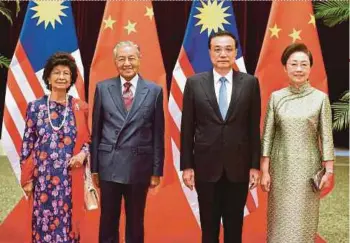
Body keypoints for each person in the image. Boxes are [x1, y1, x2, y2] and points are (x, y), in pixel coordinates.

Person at [180, 30, 261, 243]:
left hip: (239, 167)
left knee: (235, 228)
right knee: (209, 228)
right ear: (209, 53)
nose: (223, 54)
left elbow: (253, 128)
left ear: (235, 53)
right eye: (217, 49)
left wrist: (255, 165)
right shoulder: (194, 83)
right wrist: (187, 166)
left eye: (228, 49)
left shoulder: (250, 83)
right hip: (206, 166)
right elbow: (187, 127)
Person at [91, 41, 165, 243]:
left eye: (131, 58)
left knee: (135, 221)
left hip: (139, 166)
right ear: (115, 61)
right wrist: (94, 168)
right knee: (108, 221)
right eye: (121, 58)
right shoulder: (103, 88)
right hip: (109, 165)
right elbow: (96, 131)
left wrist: (156, 171)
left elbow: (158, 134)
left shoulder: (154, 91)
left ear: (139, 59)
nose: (127, 63)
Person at [260, 43, 334, 243]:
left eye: (303, 64)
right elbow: (267, 136)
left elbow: (326, 136)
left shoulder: (320, 99)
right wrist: (265, 171)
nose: (298, 69)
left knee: (303, 221)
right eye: (294, 64)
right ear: (285, 67)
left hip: (308, 171)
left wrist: (329, 170)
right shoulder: (276, 98)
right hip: (280, 170)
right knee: (279, 220)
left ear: (310, 67)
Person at [20, 52, 90, 242]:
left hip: (69, 179)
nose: (61, 77)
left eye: (66, 73)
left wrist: (83, 155)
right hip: (43, 179)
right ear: (48, 77)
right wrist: (27, 178)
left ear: (71, 79)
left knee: (68, 229)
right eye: (56, 72)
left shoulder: (80, 107)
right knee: (43, 227)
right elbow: (27, 143)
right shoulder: (36, 107)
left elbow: (89, 142)